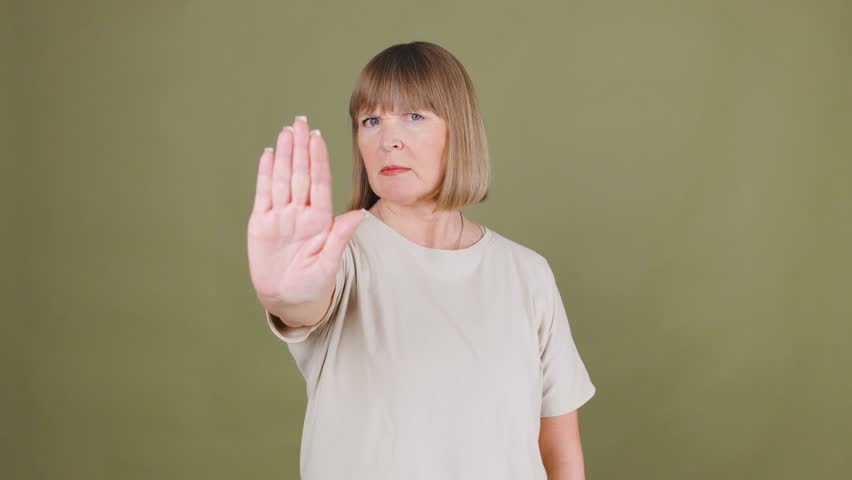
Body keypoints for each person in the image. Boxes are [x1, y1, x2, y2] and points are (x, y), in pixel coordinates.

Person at [247, 41, 595, 480]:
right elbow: (305, 303)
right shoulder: (337, 258)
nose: (388, 139)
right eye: (371, 120)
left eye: (414, 116)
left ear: (460, 129)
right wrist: (287, 296)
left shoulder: (527, 274)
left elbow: (560, 450)